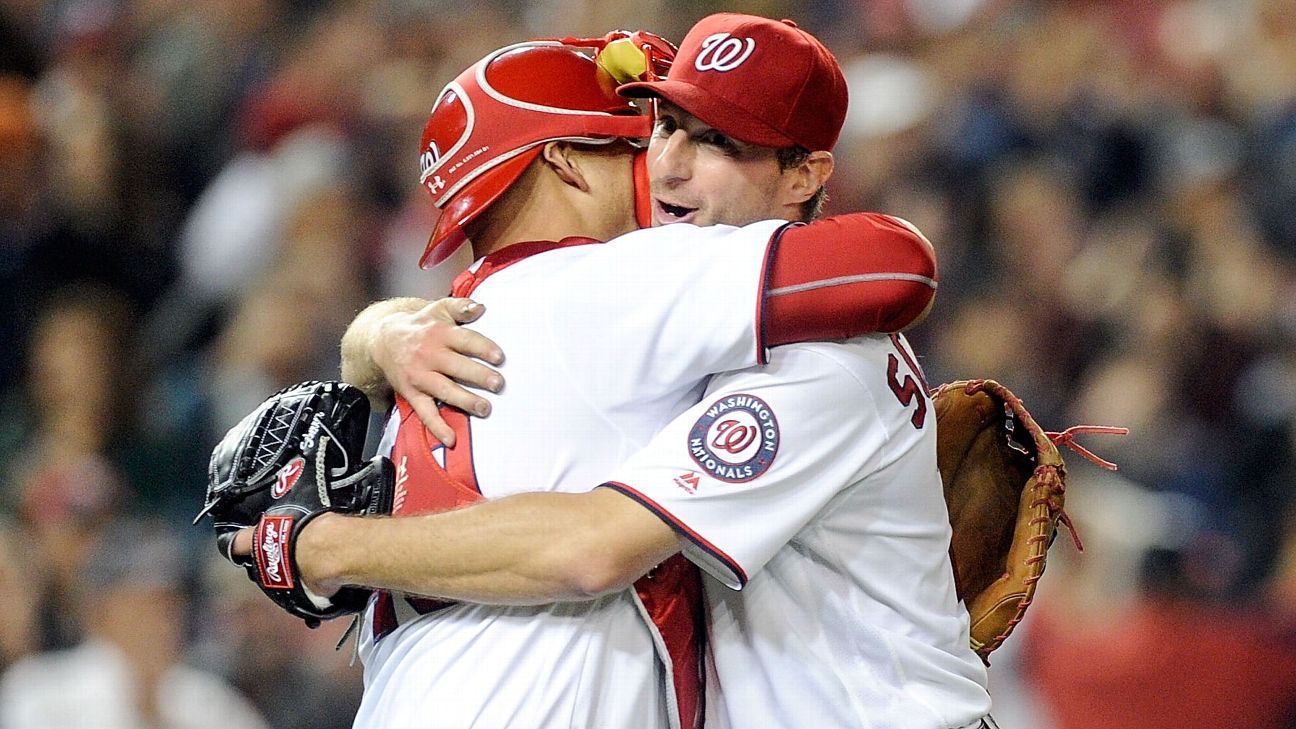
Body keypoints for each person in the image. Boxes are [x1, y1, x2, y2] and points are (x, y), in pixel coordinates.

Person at [227, 25, 940, 729]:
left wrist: (371, 344)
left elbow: (593, 540)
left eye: (718, 140)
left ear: (806, 174)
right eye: (653, 132)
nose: (663, 166)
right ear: (567, 161)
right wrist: (320, 543)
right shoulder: (619, 286)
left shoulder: (463, 320)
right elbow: (894, 261)